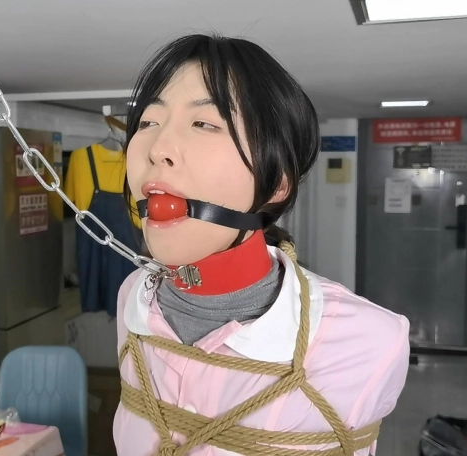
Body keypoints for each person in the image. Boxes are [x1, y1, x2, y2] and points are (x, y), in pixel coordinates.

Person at [113, 33, 411, 455]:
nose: (157, 149)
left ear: (277, 183)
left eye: (204, 123)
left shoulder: (369, 341)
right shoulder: (133, 300)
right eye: (147, 122)